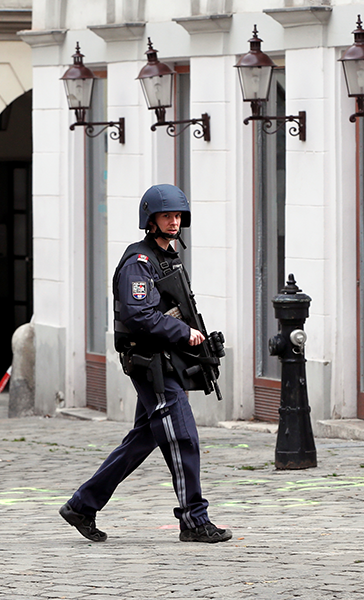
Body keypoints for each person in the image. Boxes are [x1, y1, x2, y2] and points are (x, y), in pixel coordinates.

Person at [59, 184, 232, 544]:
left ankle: (82, 505)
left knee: (143, 439)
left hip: (166, 361)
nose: (173, 221)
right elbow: (140, 316)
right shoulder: (138, 263)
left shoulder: (168, 258)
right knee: (182, 437)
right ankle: (194, 521)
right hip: (151, 364)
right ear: (149, 220)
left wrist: (197, 340)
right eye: (166, 216)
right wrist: (184, 334)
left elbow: (176, 307)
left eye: (178, 215)